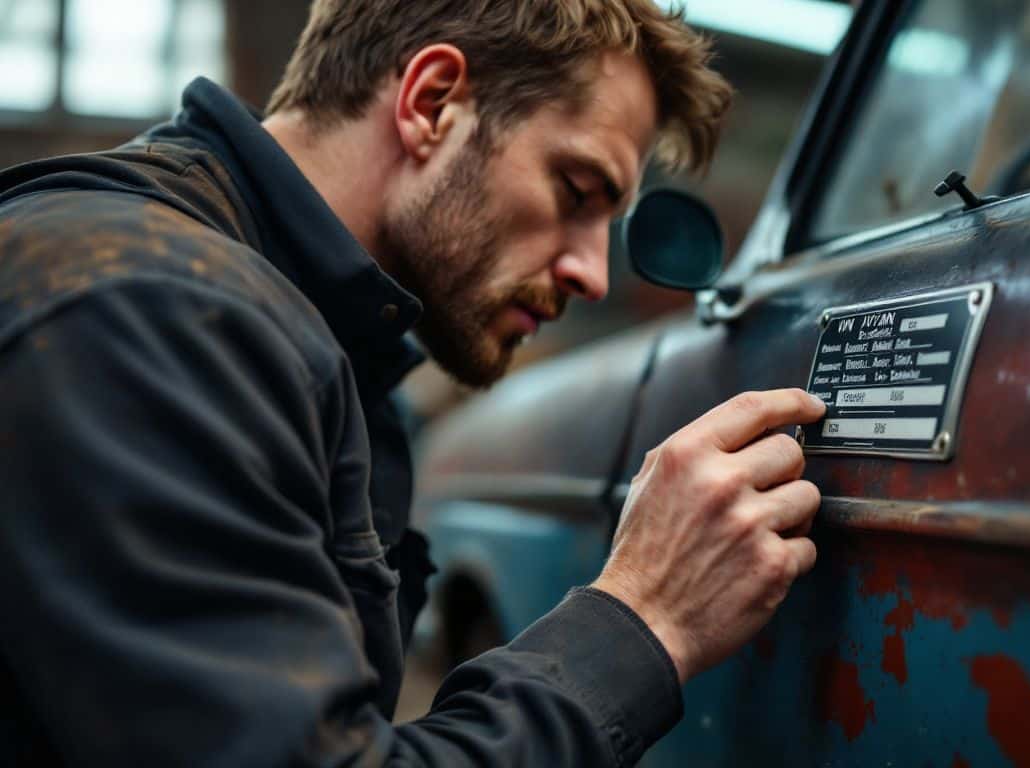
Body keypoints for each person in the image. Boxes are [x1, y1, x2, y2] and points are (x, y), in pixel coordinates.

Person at [0, 1, 826, 765]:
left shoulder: (293, 330)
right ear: (432, 102)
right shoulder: (155, 314)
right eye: (575, 191)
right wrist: (643, 619)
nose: (592, 275)